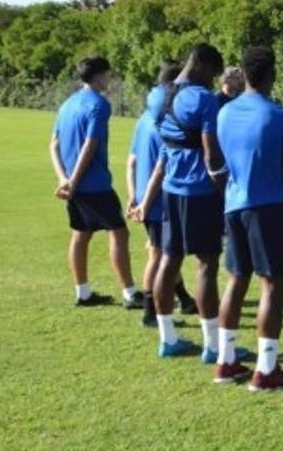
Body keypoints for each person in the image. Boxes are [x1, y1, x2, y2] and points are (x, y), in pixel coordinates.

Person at [215, 46, 283, 389]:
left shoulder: (224, 113)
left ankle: (226, 361)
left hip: (233, 204)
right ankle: (266, 369)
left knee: (236, 279)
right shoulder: (279, 115)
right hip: (266, 205)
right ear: (272, 75)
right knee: (271, 284)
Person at [132, 43, 227, 360]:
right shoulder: (203, 98)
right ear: (202, 66)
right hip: (200, 192)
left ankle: (168, 339)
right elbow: (212, 153)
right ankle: (212, 347)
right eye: (213, 74)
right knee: (206, 265)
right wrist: (225, 187)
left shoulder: (156, 95)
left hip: (170, 190)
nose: (214, 81)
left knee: (168, 259)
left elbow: (164, 146)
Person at [49, 57, 141, 309]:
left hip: (74, 186)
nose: (109, 80)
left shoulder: (67, 104)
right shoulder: (99, 105)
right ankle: (130, 294)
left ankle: (83, 293)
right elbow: (90, 145)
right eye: (108, 75)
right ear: (99, 76)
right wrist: (74, 181)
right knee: (119, 233)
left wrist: (63, 179)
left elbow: (53, 145)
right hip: (94, 184)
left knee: (80, 234)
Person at [127, 60, 196, 326]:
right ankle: (150, 312)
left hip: (146, 197)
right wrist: (144, 202)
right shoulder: (164, 120)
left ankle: (185, 299)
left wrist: (133, 196)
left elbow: (132, 160)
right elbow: (160, 166)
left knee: (166, 251)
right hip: (158, 201)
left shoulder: (144, 117)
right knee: (159, 256)